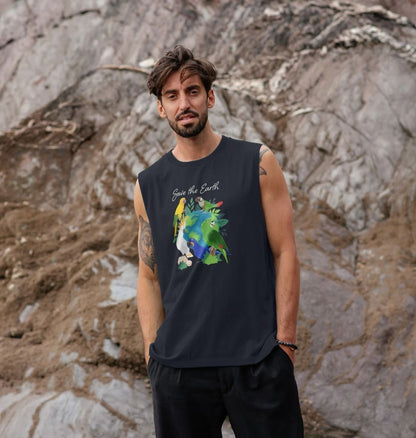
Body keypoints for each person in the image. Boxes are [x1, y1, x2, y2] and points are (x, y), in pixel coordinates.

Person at [134, 45, 303, 438]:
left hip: (257, 359)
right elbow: (148, 276)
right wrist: (152, 356)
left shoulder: (256, 162)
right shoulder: (148, 185)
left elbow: (286, 252)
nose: (184, 103)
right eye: (172, 96)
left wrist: (285, 344)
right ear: (161, 107)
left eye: (192, 91)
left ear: (210, 97)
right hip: (178, 369)